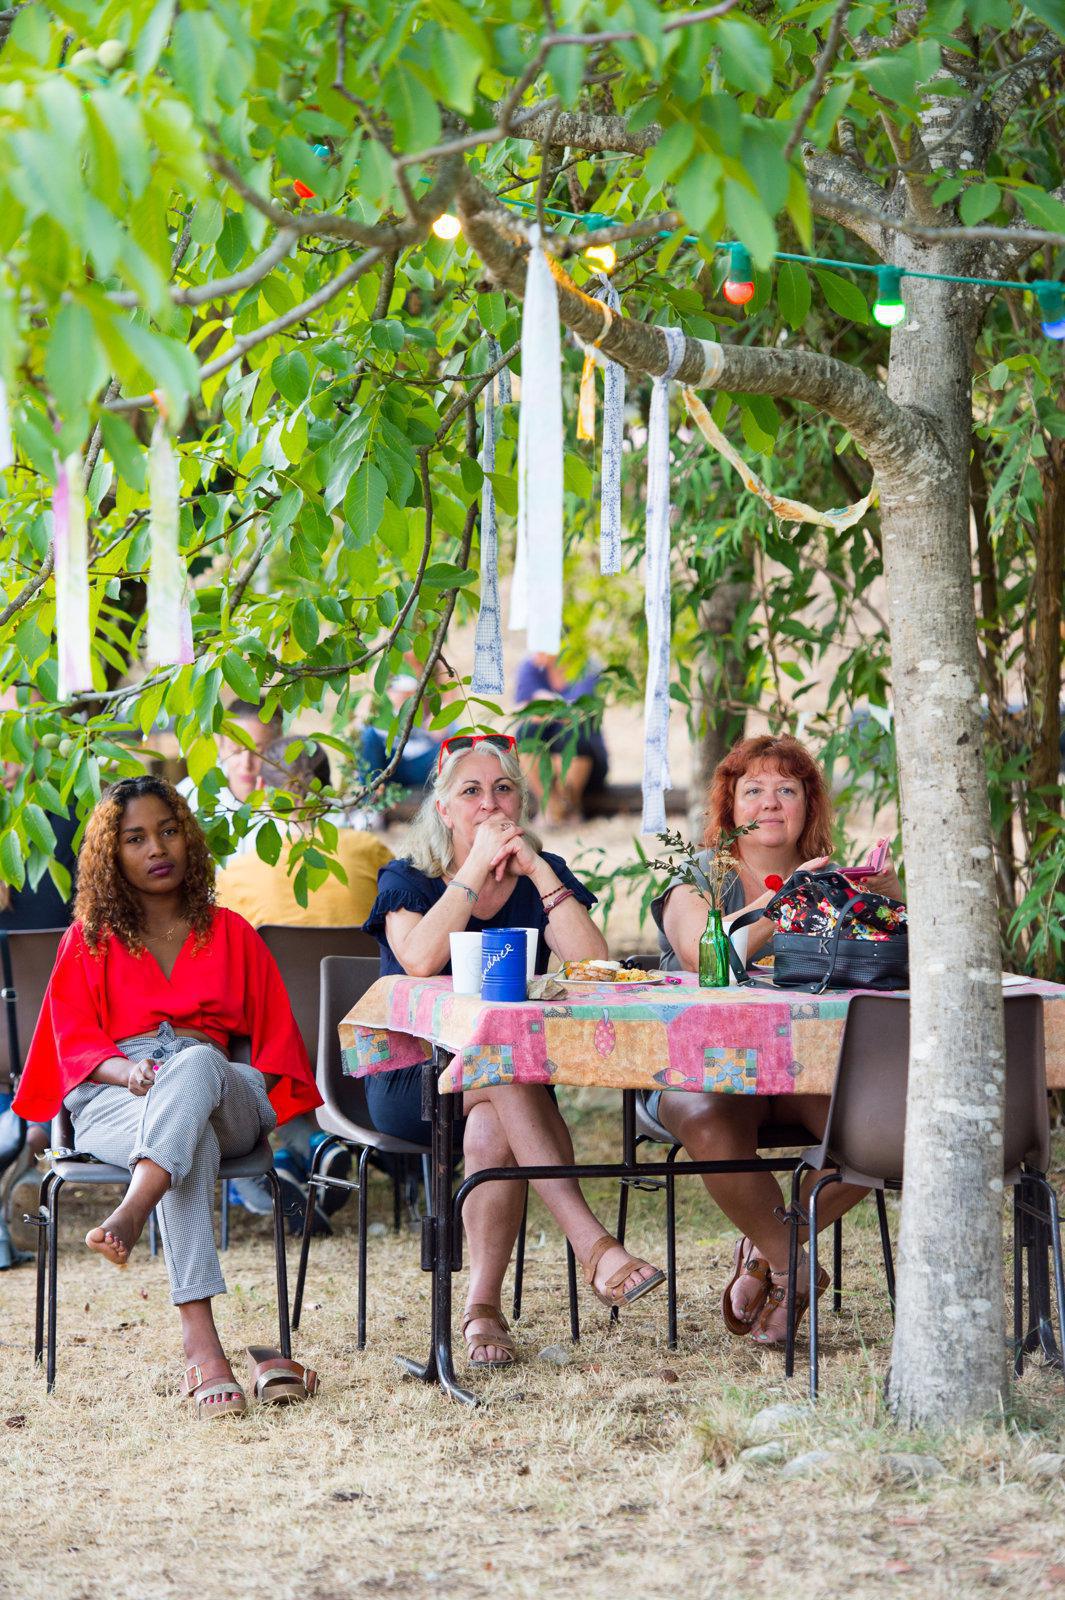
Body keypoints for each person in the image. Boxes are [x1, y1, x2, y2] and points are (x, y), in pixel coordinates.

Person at [13, 776, 322, 1417]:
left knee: (198, 1063)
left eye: (169, 830)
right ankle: (205, 1350)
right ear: (111, 855)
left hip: (225, 1092)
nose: (158, 847)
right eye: (135, 838)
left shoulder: (232, 932)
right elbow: (71, 1046)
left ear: (188, 837)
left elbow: (273, 1052)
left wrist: (188, 1071)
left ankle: (132, 1214)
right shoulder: (89, 938)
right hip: (114, 1099)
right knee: (187, 1135)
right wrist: (130, 1073)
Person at [361, 731, 665, 1368]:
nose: (488, 804)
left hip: (514, 1084)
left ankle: (481, 1310)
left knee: (489, 1123)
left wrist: (536, 869)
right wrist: (473, 870)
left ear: (521, 804)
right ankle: (594, 1247)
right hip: (412, 1078)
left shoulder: (539, 876)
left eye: (503, 789)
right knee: (493, 1066)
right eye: (470, 792)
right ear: (444, 809)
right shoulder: (407, 880)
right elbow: (417, 960)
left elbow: (593, 963)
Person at [648, 734, 904, 1345]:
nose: (770, 803)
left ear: (808, 807)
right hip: (696, 1070)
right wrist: (781, 904)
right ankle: (795, 1264)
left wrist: (884, 897)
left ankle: (765, 1255)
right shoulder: (699, 879)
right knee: (709, 1119)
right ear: (729, 807)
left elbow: (896, 960)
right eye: (753, 790)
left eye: (786, 790)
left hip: (805, 1070)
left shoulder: (838, 883)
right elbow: (701, 954)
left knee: (884, 1131)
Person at [216, 740, 393, 928]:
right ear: (327, 789)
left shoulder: (235, 876)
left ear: (260, 787)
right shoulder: (371, 850)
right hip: (359, 956)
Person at [178, 700, 282, 857]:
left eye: (259, 752)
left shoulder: (294, 800)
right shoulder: (189, 795)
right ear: (220, 745)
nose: (246, 764)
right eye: (235, 750)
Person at [513, 652, 608, 824]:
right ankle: (551, 806)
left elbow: (580, 713)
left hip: (590, 764)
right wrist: (560, 708)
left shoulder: (586, 667)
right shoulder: (530, 666)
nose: (535, 648)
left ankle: (568, 806)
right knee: (525, 733)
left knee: (575, 733)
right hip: (549, 765)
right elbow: (522, 712)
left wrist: (545, 703)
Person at [359, 674, 444, 792]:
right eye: (398, 692)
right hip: (390, 763)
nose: (404, 696)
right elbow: (363, 737)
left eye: (409, 693)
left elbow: (440, 735)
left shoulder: (425, 709)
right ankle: (370, 796)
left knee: (451, 746)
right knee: (368, 735)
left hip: (421, 762)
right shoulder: (377, 714)